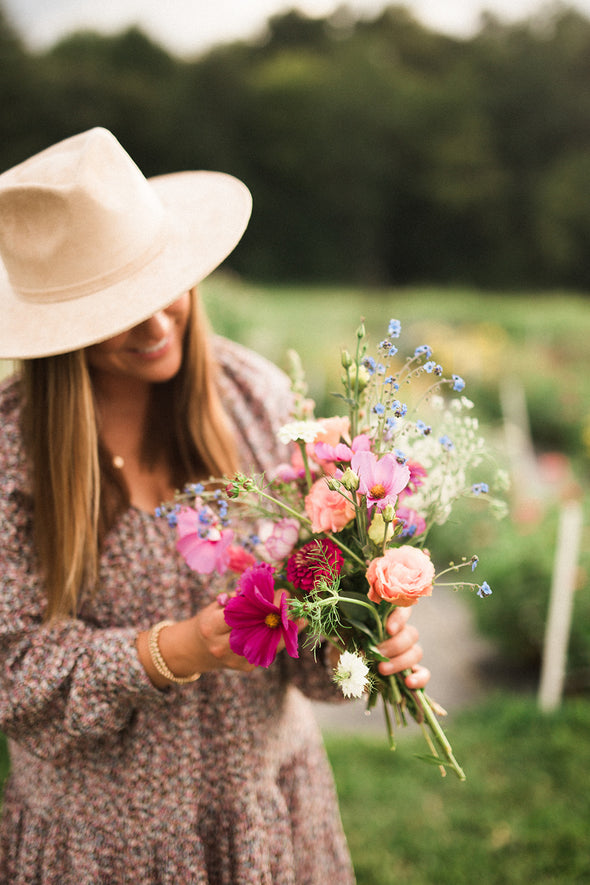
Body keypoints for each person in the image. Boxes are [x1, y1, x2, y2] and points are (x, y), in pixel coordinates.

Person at [0, 127, 430, 884]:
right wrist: (176, 650)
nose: (159, 323)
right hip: (101, 851)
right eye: (117, 308)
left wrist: (362, 635)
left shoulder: (253, 398)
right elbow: (14, 672)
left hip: (265, 818)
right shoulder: (13, 453)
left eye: (160, 284)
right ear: (59, 329)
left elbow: (307, 620)